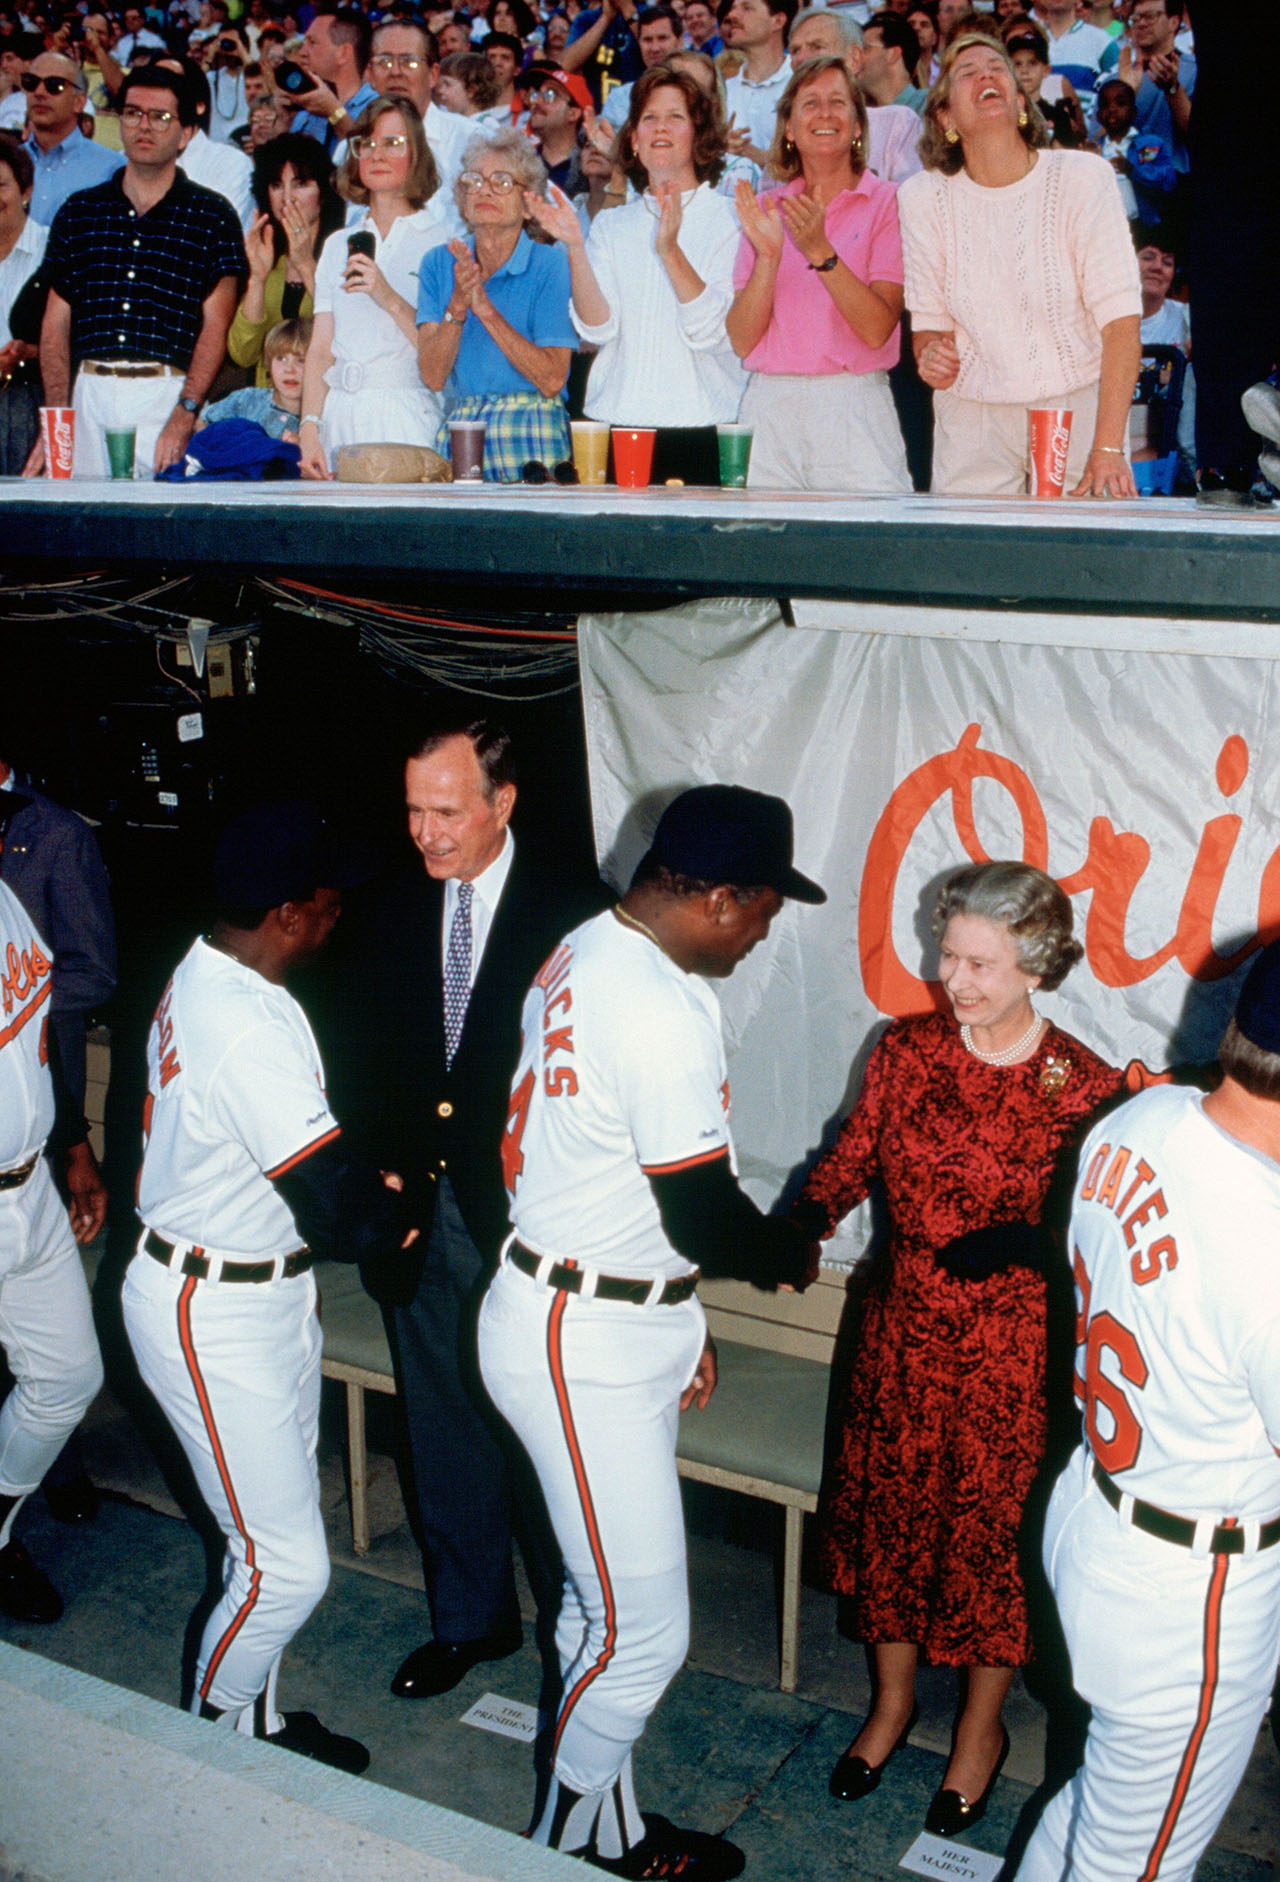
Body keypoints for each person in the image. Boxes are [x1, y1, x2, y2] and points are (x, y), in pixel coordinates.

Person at [477, 784, 823, 1879]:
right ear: (717, 897)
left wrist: (678, 1309)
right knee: (641, 1636)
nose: (765, 925)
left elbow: (622, 1178)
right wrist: (788, 1246)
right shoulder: (661, 1005)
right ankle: (557, 1850)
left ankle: (612, 1833)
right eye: (763, 905)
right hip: (581, 1337)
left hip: (596, 1304)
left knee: (598, 1611)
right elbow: (704, 1215)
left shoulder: (588, 941)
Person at [793, 862, 1121, 1836]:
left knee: (988, 1549)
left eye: (982, 962)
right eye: (948, 954)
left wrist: (1033, 1240)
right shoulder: (903, 1052)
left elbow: (1101, 1241)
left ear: (1037, 966)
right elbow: (848, 1159)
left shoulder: (1083, 1087)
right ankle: (889, 1707)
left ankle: (980, 1728)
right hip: (898, 1338)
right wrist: (794, 1221)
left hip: (1010, 1358)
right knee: (889, 1521)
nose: (957, 979)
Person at [122, 800, 415, 1775]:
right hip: (213, 1307)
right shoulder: (244, 1020)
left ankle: (254, 1727)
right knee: (286, 1567)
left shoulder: (214, 964)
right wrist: (399, 1209)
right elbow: (336, 1209)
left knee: (261, 1550)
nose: (341, 913)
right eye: (330, 899)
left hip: (254, 1284)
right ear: (290, 911)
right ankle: (206, 1756)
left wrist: (360, 1184)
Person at [326, 717, 598, 1703]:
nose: (426, 833)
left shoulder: (576, 914)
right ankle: (468, 1622)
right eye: (412, 811)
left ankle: (580, 1642)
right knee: (440, 1426)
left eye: (445, 811)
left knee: (546, 1443)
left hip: (528, 1232)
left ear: (502, 803)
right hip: (419, 1222)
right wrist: (380, 1169)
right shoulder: (391, 905)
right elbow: (358, 1051)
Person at [1014, 942, 1280, 1882]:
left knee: (1103, 1801)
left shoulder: (1141, 1116)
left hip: (1095, 1511)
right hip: (1190, 1587)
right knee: (1137, 1864)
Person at [901, 33, 1142, 497]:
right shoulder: (920, 197)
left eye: (997, 68)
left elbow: (1121, 327)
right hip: (972, 418)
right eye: (966, 73)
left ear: (1021, 101)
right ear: (945, 117)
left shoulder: (1084, 178)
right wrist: (932, 356)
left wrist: (1107, 447)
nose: (986, 74)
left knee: (1082, 564)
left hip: (1079, 406)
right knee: (971, 566)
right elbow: (928, 332)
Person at [529, 65, 745, 487]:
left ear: (699, 135)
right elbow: (597, 327)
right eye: (649, 118)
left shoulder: (730, 219)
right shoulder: (612, 225)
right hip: (616, 424)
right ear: (633, 139)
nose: (660, 128)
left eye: (675, 117)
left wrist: (669, 251)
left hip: (705, 427)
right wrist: (575, 245)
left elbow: (712, 331)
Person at [28, 64, 245, 478]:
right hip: (88, 394)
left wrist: (184, 414)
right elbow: (55, 323)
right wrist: (58, 420)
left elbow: (215, 327)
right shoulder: (79, 212)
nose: (144, 126)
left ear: (185, 134)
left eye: (161, 117)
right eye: (132, 113)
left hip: (164, 397)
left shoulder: (212, 216)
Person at [729, 56, 910, 492]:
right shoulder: (767, 209)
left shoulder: (889, 202)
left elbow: (876, 330)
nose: (825, 114)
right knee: (763, 554)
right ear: (788, 128)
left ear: (858, 124)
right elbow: (741, 339)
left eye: (838, 102)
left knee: (869, 552)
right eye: (810, 103)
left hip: (854, 407)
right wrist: (769, 259)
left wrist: (820, 252)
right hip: (770, 408)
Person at [0, 873, 104, 1625]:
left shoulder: (5, 896)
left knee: (68, 1377)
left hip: (29, 1184)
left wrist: (74, 1147)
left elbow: (32, 1040)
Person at [298, 98, 447, 480]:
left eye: (393, 143)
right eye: (367, 144)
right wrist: (310, 426)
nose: (377, 154)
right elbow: (320, 350)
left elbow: (443, 355)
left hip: (407, 417)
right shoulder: (337, 244)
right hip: (339, 416)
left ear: (416, 154)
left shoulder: (441, 243)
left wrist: (386, 296)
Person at [417, 129, 575, 480]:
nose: (484, 189)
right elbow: (432, 375)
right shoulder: (438, 264)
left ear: (528, 201)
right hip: (464, 427)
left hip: (535, 425)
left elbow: (551, 380)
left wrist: (485, 310)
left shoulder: (550, 264)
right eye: (474, 180)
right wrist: (458, 306)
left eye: (502, 181)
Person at [229, 133, 344, 385]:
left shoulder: (342, 256)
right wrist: (257, 279)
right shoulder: (266, 257)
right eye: (277, 185)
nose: (287, 197)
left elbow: (348, 337)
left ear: (323, 192)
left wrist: (305, 265)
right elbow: (242, 354)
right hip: (270, 410)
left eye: (300, 183)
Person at [21, 50, 121, 224]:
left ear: (79, 102)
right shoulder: (8, 164)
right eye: (31, 83)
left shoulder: (112, 169)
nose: (39, 92)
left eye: (54, 85)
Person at [0, 138, 47, 475]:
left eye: (0, 186)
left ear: (26, 191)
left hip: (30, 401)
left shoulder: (52, 248)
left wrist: (29, 352)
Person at [202, 313, 309, 437]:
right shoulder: (247, 400)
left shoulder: (322, 418)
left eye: (301, 360)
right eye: (281, 359)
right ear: (269, 363)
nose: (289, 370)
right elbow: (204, 421)